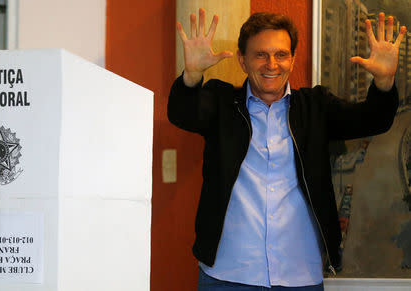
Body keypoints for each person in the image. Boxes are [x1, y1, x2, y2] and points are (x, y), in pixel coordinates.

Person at [168, 9, 406, 291]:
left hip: (299, 276)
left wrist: (384, 83)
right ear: (242, 60)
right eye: (260, 55)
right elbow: (182, 113)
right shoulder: (222, 103)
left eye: (281, 54)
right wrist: (192, 76)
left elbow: (373, 119)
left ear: (292, 60)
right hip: (227, 275)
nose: (272, 64)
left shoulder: (315, 107)